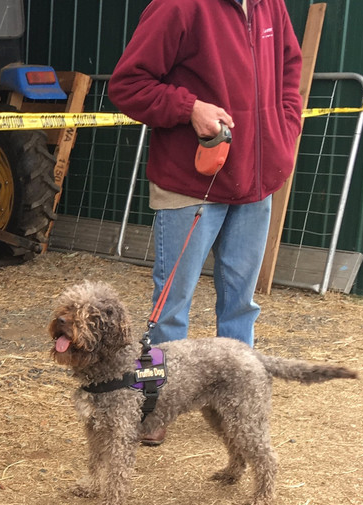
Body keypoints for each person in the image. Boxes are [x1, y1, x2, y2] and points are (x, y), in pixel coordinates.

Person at [108, 0, 303, 444]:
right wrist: (188, 107)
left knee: (240, 303)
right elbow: (127, 85)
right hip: (189, 184)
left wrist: (283, 132)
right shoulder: (178, 6)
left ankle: (238, 404)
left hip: (256, 182)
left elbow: (290, 70)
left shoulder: (271, 5)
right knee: (171, 305)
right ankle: (153, 408)